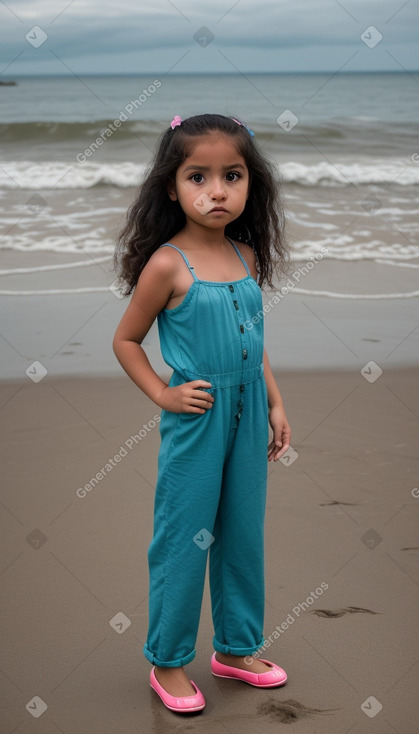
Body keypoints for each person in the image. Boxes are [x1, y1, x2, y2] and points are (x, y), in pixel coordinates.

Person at [113, 113, 291, 714]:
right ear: (171, 186)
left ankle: (236, 650)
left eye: (232, 176)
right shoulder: (166, 264)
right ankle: (168, 660)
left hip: (247, 414)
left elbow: (255, 341)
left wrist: (274, 400)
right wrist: (164, 394)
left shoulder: (245, 257)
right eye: (198, 176)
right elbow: (126, 341)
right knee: (184, 537)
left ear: (250, 185)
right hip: (198, 417)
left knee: (243, 533)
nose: (217, 190)